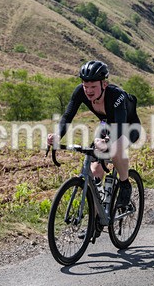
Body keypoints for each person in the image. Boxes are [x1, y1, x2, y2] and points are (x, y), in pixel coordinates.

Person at [47, 60, 141, 208]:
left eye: (93, 86)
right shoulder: (80, 92)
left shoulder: (117, 95)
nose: (89, 91)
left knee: (115, 149)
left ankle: (125, 185)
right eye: (86, 86)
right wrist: (58, 135)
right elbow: (67, 116)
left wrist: (108, 143)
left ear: (104, 84)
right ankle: (98, 212)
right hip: (108, 125)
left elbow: (120, 126)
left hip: (128, 127)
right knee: (94, 168)